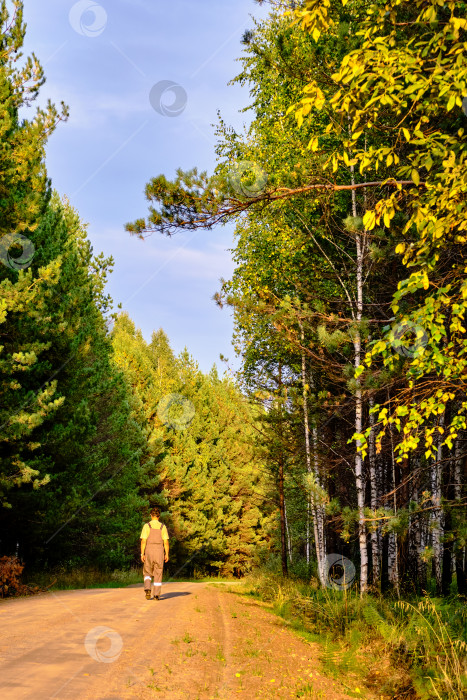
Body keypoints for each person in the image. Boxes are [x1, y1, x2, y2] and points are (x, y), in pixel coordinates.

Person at [140, 508, 169, 600]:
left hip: (149, 551)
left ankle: (148, 589)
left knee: (147, 571)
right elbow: (166, 542)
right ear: (159, 516)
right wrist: (167, 554)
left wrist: (142, 553)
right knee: (158, 573)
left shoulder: (146, 526)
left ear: (150, 515)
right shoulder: (163, 527)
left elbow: (143, 541)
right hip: (159, 551)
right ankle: (156, 595)